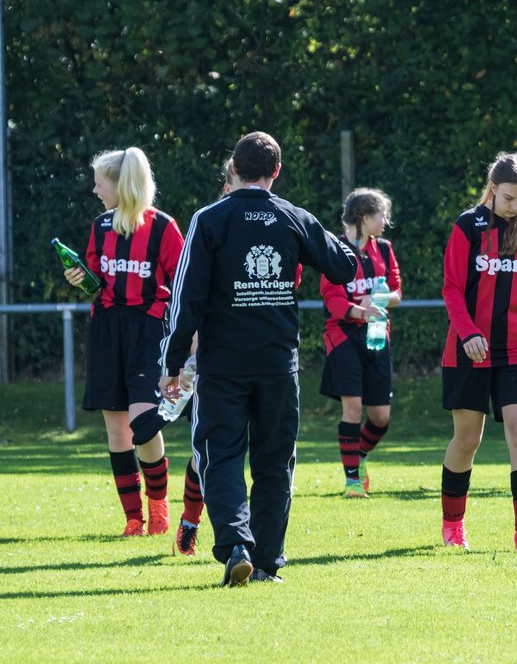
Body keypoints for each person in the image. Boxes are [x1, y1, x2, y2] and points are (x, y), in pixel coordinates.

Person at [160, 131, 357, 586]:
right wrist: (312, 236)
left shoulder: (208, 219)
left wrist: (171, 364)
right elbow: (345, 265)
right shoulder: (294, 217)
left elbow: (185, 299)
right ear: (277, 171)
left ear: (233, 168)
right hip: (277, 363)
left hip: (222, 364)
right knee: (274, 460)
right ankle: (267, 562)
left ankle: (235, 547)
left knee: (220, 455)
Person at [65, 148, 183, 537]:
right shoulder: (100, 226)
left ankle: (159, 505)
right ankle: (134, 518)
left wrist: (189, 335)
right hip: (107, 330)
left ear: (122, 184)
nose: (96, 189)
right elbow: (96, 276)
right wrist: (82, 279)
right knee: (117, 429)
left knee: (144, 422)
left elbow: (183, 283)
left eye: (101, 182)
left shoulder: (164, 227)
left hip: (149, 331)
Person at [439, 152, 517, 553]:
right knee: (467, 439)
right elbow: (451, 289)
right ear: (492, 188)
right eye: (509, 198)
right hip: (469, 350)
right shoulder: (467, 226)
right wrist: (468, 333)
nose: (516, 206)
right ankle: (452, 526)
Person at [319, 187, 402, 497]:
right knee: (352, 408)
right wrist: (360, 310)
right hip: (343, 336)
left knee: (380, 417)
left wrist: (379, 299)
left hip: (377, 334)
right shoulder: (336, 250)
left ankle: (360, 455)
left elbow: (396, 291)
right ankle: (352, 480)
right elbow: (332, 298)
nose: (385, 221)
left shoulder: (385, 249)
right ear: (365, 218)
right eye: (382, 215)